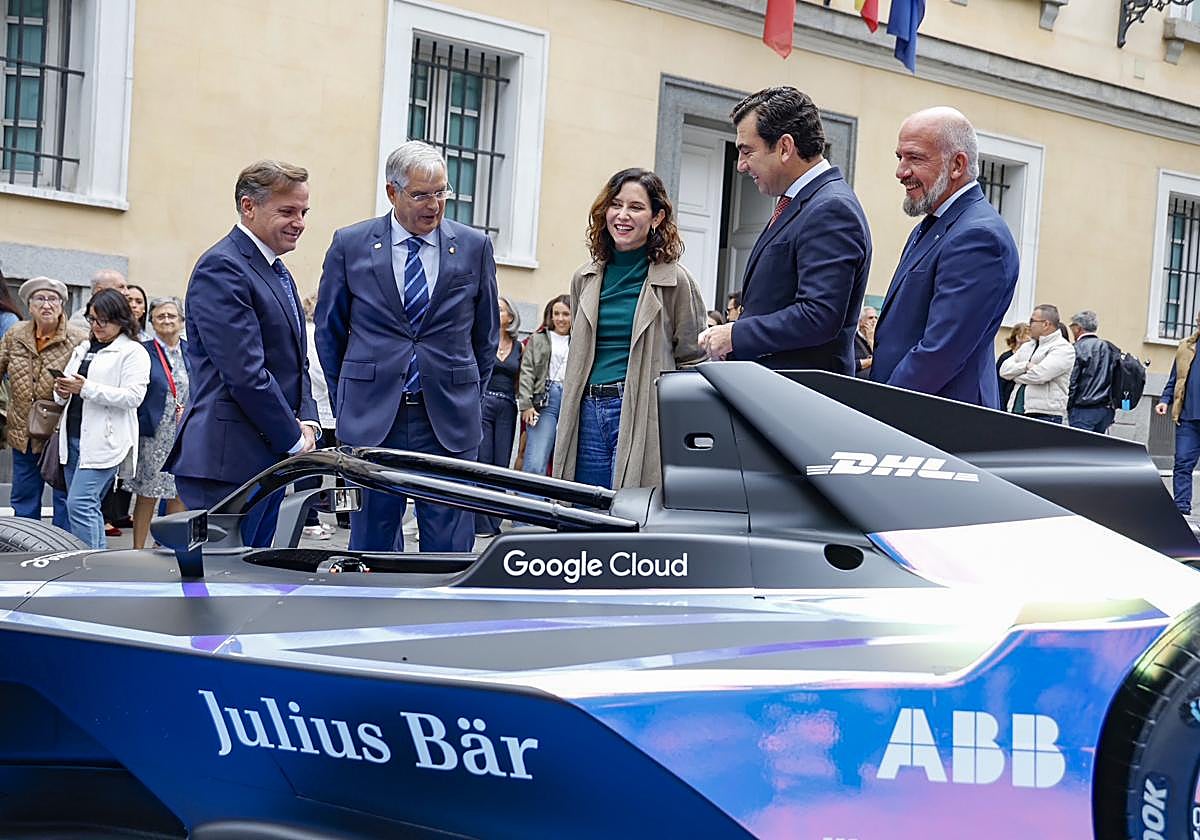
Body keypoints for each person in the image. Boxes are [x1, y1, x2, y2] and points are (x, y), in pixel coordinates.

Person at [316, 141, 498, 553]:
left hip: (448, 416)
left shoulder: (474, 247)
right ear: (392, 192)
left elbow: (484, 338)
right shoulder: (351, 244)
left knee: (450, 542)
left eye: (441, 192)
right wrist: (350, 396)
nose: (434, 205)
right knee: (372, 540)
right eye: (420, 194)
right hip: (373, 416)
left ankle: (440, 617)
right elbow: (329, 333)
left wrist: (467, 392)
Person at [165, 160, 320, 548]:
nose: (299, 222)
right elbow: (246, 374)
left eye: (303, 212)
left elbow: (295, 363)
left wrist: (310, 423)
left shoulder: (276, 270)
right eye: (287, 211)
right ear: (248, 206)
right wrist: (294, 438)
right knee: (218, 592)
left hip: (264, 458)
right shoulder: (224, 267)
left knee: (252, 586)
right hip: (226, 463)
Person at [699, 87, 871, 372]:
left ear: (785, 147)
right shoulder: (803, 203)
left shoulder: (830, 209)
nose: (741, 166)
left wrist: (734, 335)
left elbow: (819, 315)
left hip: (799, 399)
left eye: (747, 151)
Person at [553, 167, 706, 490]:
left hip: (639, 411)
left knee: (628, 516)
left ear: (656, 217)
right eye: (616, 204)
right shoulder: (585, 278)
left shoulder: (676, 282)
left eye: (636, 207)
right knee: (583, 513)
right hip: (586, 413)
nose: (622, 215)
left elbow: (692, 359)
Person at [871, 107, 1020, 408]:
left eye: (914, 158)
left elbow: (939, 353)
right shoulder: (936, 223)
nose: (901, 172)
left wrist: (878, 406)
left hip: (940, 422)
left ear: (957, 165)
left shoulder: (978, 237)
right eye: (899, 157)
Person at [53, 289, 150, 548]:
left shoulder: (133, 352)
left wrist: (85, 389)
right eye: (92, 319)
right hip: (73, 436)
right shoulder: (83, 348)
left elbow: (133, 397)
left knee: (80, 503)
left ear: (120, 319)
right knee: (84, 506)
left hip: (106, 440)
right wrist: (61, 390)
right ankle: (93, 560)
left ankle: (92, 565)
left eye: (102, 321)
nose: (96, 326)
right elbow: (67, 389)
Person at [0, 276, 83, 528]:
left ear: (62, 305)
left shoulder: (77, 338)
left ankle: (61, 551)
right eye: (39, 299)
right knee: (24, 495)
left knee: (62, 494)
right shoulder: (16, 333)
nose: (46, 305)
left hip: (59, 433)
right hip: (22, 429)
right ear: (29, 305)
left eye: (52, 299)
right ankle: (25, 547)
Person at [127, 297, 190, 549]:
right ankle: (138, 548)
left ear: (182, 321)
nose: (166, 320)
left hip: (184, 430)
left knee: (178, 490)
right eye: (160, 316)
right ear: (151, 322)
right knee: (148, 492)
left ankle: (168, 546)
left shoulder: (192, 350)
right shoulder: (143, 350)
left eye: (171, 316)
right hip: (153, 432)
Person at [475, 297, 522, 537]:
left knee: (500, 463)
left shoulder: (519, 346)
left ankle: (493, 522)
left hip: (507, 407)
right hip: (483, 404)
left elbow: (520, 380)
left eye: (501, 309)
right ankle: (479, 523)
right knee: (482, 461)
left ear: (510, 317)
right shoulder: (484, 340)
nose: (496, 311)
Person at [299, 293, 340, 540]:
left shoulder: (327, 331)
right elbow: (316, 370)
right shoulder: (310, 333)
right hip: (318, 413)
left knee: (333, 472)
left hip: (332, 413)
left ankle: (331, 516)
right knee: (310, 472)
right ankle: (308, 519)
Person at [518, 294, 571, 477]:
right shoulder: (539, 338)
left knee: (566, 462)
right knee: (535, 460)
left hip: (572, 402)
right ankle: (530, 503)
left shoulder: (582, 340)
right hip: (545, 400)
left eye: (566, 314)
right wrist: (526, 404)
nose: (560, 319)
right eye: (556, 313)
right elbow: (527, 371)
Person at [998, 304, 1075, 423]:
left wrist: (1015, 376)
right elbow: (1004, 370)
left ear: (1046, 324)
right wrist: (1025, 366)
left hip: (1044, 415)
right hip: (1016, 409)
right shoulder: (1028, 346)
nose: (1029, 325)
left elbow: (1040, 375)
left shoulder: (1063, 349)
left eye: (1032, 321)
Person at [1156, 312, 1200, 515]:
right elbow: (1175, 379)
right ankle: (1182, 508)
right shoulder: (1186, 346)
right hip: (1188, 417)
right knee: (1182, 462)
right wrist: (1165, 400)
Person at [1067, 310, 1117, 433]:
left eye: (1072, 327)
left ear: (1078, 328)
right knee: (1096, 449)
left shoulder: (1077, 348)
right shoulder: (1110, 347)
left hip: (1083, 408)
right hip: (1106, 409)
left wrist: (1068, 405)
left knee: (1080, 448)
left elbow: (1072, 381)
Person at [996, 323, 1031, 412]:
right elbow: (998, 382)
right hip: (1004, 398)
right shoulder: (1006, 357)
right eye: (1025, 335)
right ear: (1017, 337)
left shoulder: (1029, 357)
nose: (1029, 339)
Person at [855, 305, 877, 379]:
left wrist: (871, 340)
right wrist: (870, 362)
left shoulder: (880, 341)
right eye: (870, 318)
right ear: (861, 322)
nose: (874, 321)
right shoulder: (852, 340)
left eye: (876, 318)